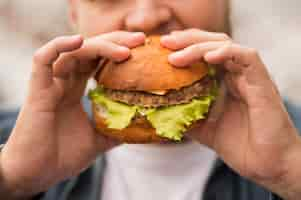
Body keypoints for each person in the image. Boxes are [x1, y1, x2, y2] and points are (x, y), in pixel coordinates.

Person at [0, 0, 300, 199]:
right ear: (74, 13)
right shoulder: (8, 150)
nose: (146, 18)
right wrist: (12, 183)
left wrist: (290, 175)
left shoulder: (293, 155)